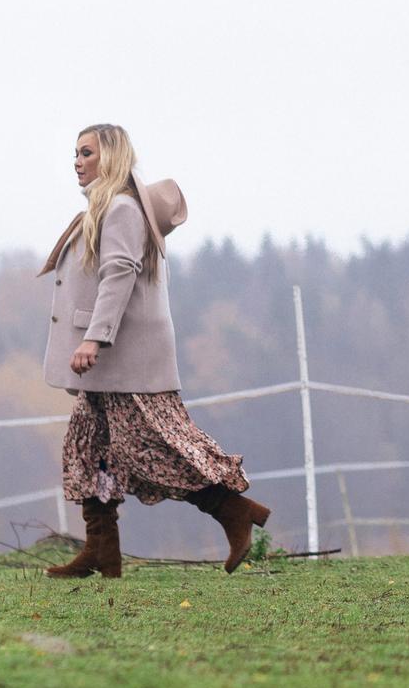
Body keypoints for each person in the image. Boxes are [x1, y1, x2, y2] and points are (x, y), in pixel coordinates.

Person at [39, 122, 269, 579]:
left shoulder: (121, 209)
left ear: (110, 157)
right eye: (75, 154)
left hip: (126, 358)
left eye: (86, 153)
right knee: (91, 450)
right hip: (109, 364)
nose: (77, 162)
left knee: (155, 446)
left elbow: (119, 272)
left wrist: (94, 338)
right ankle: (101, 548)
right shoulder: (108, 209)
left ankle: (233, 510)